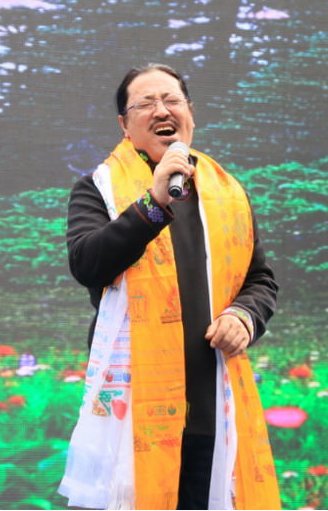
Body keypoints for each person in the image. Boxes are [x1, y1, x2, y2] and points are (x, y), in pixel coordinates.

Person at [58, 64, 281, 510]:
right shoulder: (98, 188)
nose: (162, 110)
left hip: (213, 402)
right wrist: (154, 202)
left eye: (172, 100)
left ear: (190, 114)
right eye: (146, 104)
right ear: (125, 125)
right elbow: (87, 263)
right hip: (134, 408)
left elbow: (260, 279)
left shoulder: (228, 193)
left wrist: (244, 316)